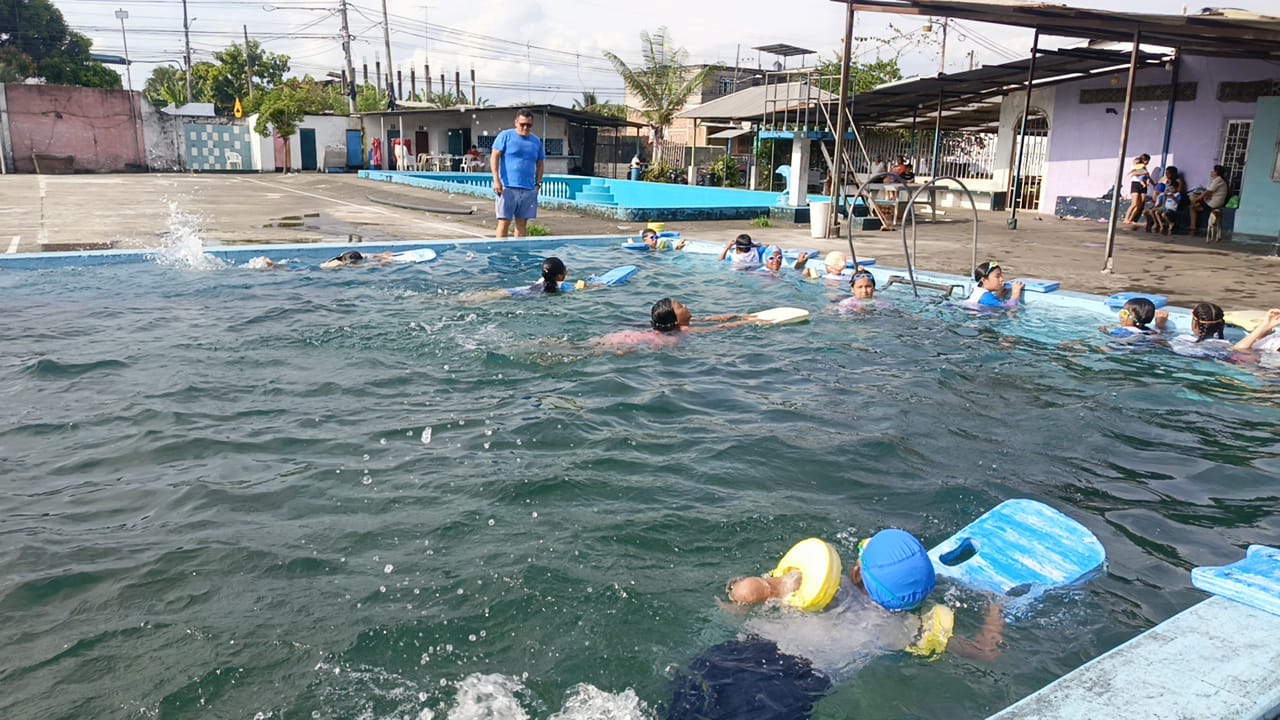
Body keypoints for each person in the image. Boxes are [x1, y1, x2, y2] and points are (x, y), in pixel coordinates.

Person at [671, 531, 1003, 720]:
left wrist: (775, 586)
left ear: (856, 571)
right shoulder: (907, 629)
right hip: (793, 690)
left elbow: (745, 592)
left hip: (738, 658)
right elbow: (985, 651)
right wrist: (996, 605)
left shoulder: (822, 589)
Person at [491, 109, 546, 239]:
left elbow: (540, 164)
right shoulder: (505, 136)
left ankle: (519, 250)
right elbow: (494, 156)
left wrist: (537, 184)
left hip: (528, 188)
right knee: (504, 222)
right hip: (507, 187)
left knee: (522, 224)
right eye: (522, 124)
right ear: (516, 122)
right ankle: (501, 250)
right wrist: (496, 180)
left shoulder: (536, 141)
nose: (525, 127)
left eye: (529, 125)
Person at [1188, 165, 1230, 238]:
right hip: (1213, 201)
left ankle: (1192, 226)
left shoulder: (1218, 180)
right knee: (1195, 200)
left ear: (1216, 172)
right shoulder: (1218, 180)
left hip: (1213, 203)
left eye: (1213, 171)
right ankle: (1193, 224)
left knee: (1192, 206)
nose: (1211, 172)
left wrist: (1197, 199)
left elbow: (1208, 192)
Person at [1100, 297, 1168, 339]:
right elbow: (1159, 337)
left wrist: (1106, 333)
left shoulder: (1122, 332)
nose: (1121, 316)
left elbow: (1115, 340)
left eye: (1124, 313)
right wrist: (1160, 325)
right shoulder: (1149, 331)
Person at [1124, 154, 1151, 224]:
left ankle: (1131, 219)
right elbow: (1134, 173)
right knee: (1134, 203)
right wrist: (1144, 173)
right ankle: (1126, 218)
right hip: (1136, 184)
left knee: (1140, 204)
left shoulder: (1144, 168)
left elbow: (1147, 175)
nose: (1147, 162)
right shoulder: (1136, 165)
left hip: (1143, 185)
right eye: (1146, 160)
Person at [319, 250, 394, 269]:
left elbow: (365, 255)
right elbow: (362, 266)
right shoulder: (341, 264)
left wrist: (381, 255)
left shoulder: (343, 255)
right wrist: (380, 264)